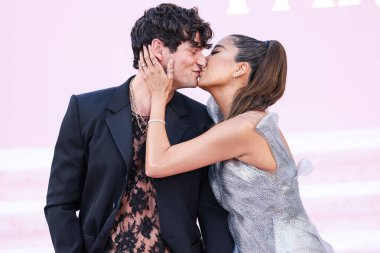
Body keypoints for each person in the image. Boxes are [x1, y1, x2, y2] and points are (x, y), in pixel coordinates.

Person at [44, 4, 234, 253]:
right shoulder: (86, 110)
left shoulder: (200, 120)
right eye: (194, 49)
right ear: (158, 49)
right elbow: (60, 203)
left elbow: (211, 212)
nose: (202, 61)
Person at [140, 35, 334, 252]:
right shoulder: (230, 119)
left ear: (240, 69)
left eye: (215, 52)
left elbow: (157, 164)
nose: (203, 60)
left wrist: (158, 97)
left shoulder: (244, 129)